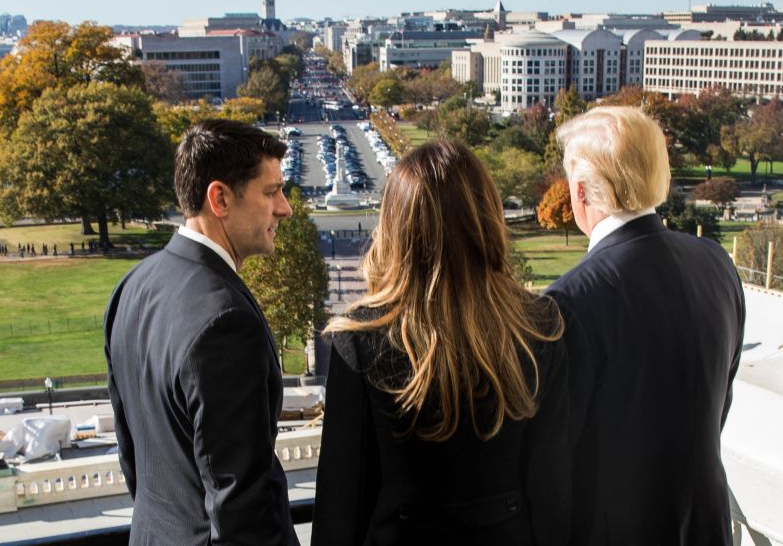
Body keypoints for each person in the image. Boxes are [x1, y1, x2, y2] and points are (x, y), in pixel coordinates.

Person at [312, 139, 568, 546]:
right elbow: (556, 486)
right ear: (487, 218)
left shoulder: (359, 341)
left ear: (395, 228)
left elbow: (340, 508)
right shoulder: (541, 326)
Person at [545, 106, 745, 545]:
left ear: (579, 193)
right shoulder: (716, 263)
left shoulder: (567, 302)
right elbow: (716, 404)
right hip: (709, 527)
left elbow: (552, 458)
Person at [104, 119, 298, 546]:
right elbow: (240, 507)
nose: (285, 208)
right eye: (271, 192)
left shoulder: (132, 288)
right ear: (220, 198)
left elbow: (136, 460)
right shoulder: (226, 322)